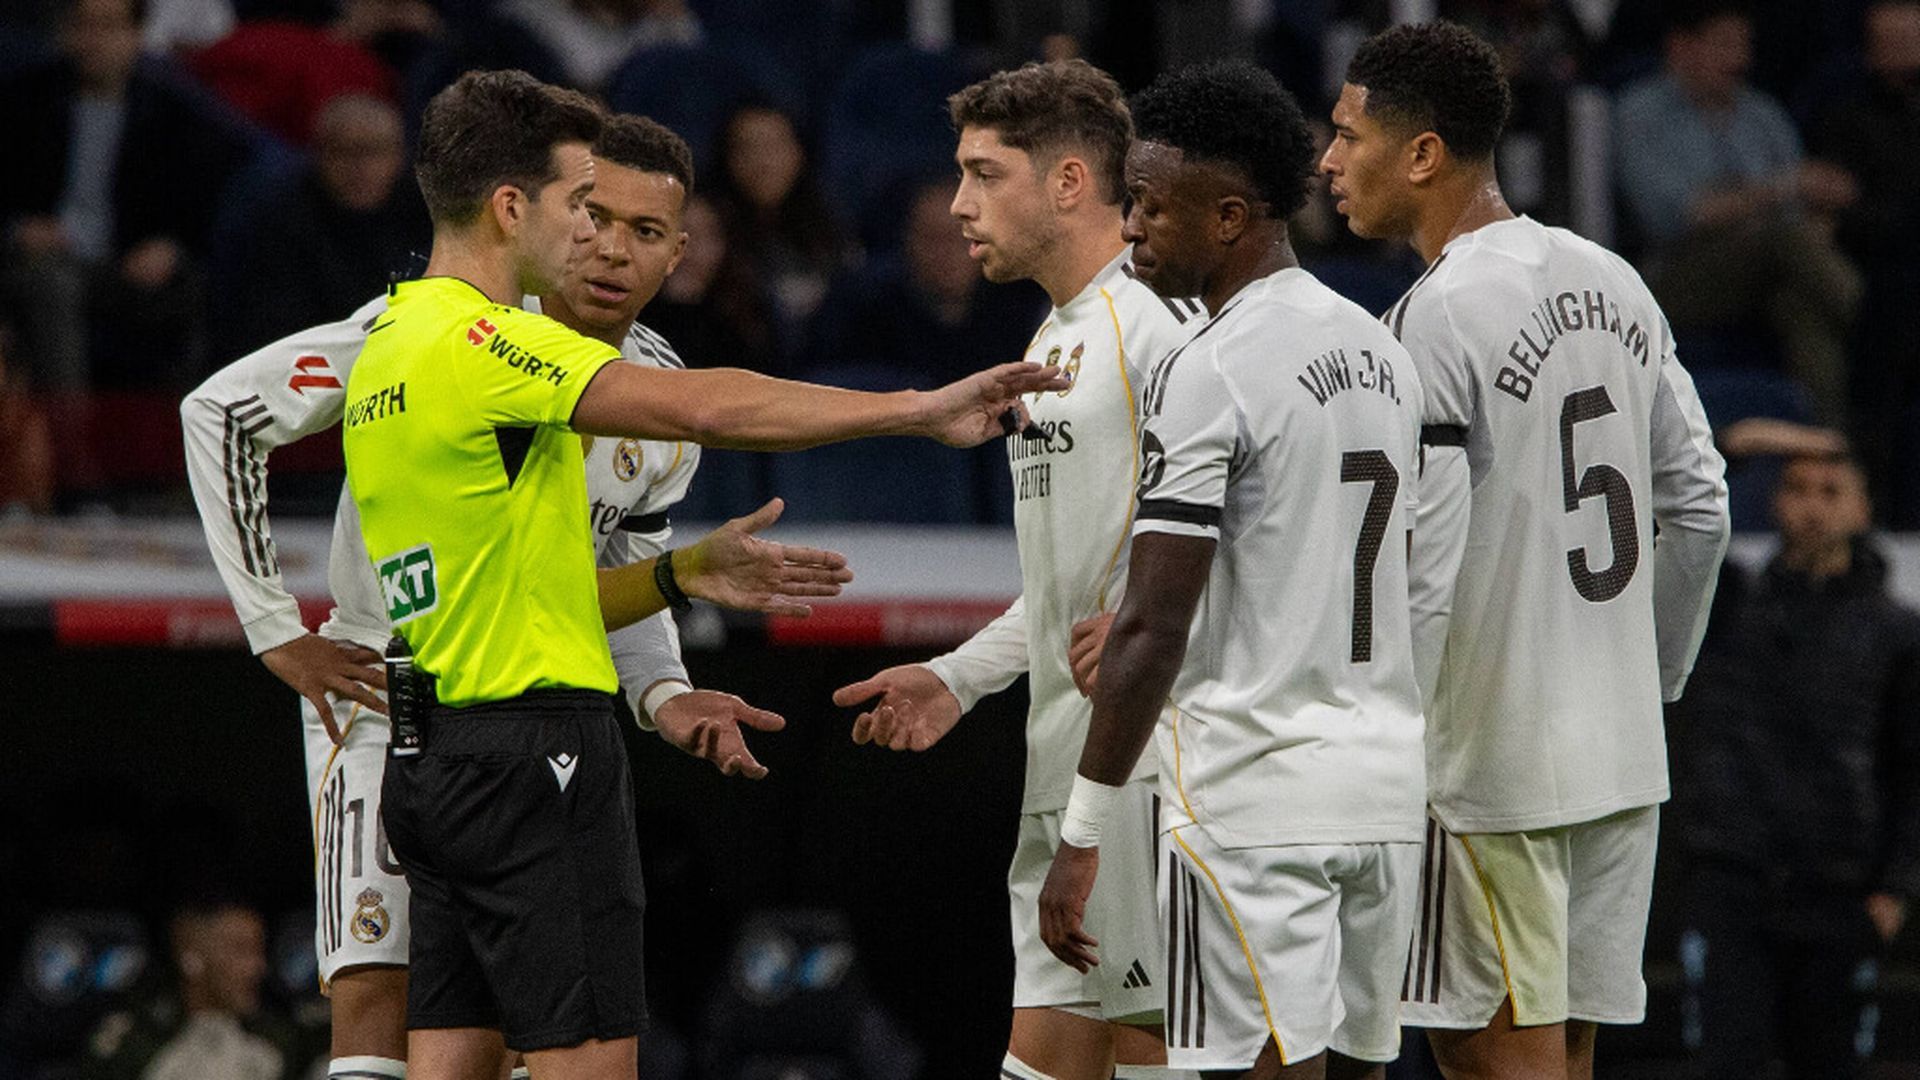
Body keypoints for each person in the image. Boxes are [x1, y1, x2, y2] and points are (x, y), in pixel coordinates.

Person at [338, 70, 1064, 1080]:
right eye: (578, 204)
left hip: (436, 746)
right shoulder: (487, 344)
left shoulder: (389, 340)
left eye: (630, 224)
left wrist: (676, 593)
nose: (591, 235)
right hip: (532, 744)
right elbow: (706, 409)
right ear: (511, 208)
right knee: (589, 1064)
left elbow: (537, 588)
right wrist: (915, 410)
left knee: (452, 1059)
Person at [183, 112, 852, 1080]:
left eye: (645, 231)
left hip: (526, 718)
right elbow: (221, 409)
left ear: (679, 254)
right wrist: (273, 627)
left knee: (499, 1034)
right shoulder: (437, 327)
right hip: (382, 694)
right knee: (375, 992)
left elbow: (615, 576)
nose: (610, 247)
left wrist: (663, 694)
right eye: (594, 215)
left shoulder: (655, 396)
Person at [1320, 21, 1731, 1079]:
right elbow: (1701, 508)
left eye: (1348, 135)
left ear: (1422, 154)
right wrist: (1650, 676)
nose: (1328, 162)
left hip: (1492, 766)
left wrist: (1378, 736)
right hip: (1621, 757)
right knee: (1567, 1055)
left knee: (1492, 1060)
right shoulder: (1615, 278)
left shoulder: (1433, 314)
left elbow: (1421, 563)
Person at [1038, 60, 1428, 1080]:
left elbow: (1152, 626)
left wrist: (1081, 833)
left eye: (1151, 207)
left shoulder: (1209, 365)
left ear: (1229, 216)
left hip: (1255, 796)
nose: (1131, 229)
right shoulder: (1385, 352)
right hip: (1386, 789)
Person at [831, 59, 1199, 1080]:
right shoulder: (1053, 335)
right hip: (1062, 771)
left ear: (1070, 182)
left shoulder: (1160, 326)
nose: (959, 205)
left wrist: (1156, 618)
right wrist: (957, 677)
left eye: (985, 175)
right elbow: (1069, 582)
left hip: (1147, 774)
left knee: (1154, 1054)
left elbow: (1251, 530)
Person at [1676, 443, 1920, 1080]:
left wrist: (1895, 886)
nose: (1812, 508)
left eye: (1831, 491)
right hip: (1733, 882)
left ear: (1864, 507)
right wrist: (1736, 447)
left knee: (1832, 1065)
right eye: (1796, 488)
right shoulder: (1727, 606)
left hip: (1841, 890)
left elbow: (1911, 767)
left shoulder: (1895, 631)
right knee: (1725, 1064)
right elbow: (1673, 509)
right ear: (1774, 501)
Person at [1613, 0, 1861, 427]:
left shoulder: (1762, 114)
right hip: (1677, 275)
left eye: (1745, 46)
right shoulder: (1641, 112)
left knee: (1801, 304)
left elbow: (1809, 210)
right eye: (1725, 45)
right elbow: (1676, 217)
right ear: (1680, 47)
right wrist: (1781, 189)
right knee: (1783, 241)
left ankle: (1830, 445)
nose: (1739, 59)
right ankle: (1876, 320)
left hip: (1773, 268)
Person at [0, 0, 255, 390]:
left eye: (109, 27)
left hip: (127, 260)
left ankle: (186, 419)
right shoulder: (24, 99)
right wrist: (18, 228)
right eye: (82, 25)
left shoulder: (173, 109)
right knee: (50, 285)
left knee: (192, 291)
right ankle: (70, 422)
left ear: (136, 35)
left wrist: (171, 245)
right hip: (47, 258)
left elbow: (210, 187)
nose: (94, 40)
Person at [221, 94, 429, 356]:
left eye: (374, 151)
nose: (360, 168)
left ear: (400, 156)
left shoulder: (429, 215)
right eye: (343, 152)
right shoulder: (281, 221)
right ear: (318, 155)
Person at [83, 897, 302, 1080]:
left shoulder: (279, 1039)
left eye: (258, 951)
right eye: (240, 951)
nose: (257, 967)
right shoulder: (136, 1038)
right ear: (192, 959)